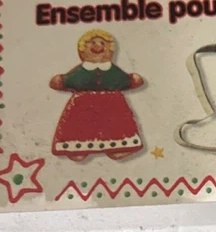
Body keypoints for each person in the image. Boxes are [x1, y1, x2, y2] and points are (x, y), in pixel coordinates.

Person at [49, 29, 146, 161]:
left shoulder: (112, 70)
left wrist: (132, 80)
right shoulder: (81, 71)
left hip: (112, 105)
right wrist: (62, 81)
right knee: (81, 127)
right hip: (83, 105)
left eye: (102, 43)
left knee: (115, 126)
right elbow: (72, 80)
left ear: (110, 49)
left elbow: (122, 79)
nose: (98, 46)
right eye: (92, 42)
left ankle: (119, 147)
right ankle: (77, 148)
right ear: (82, 49)